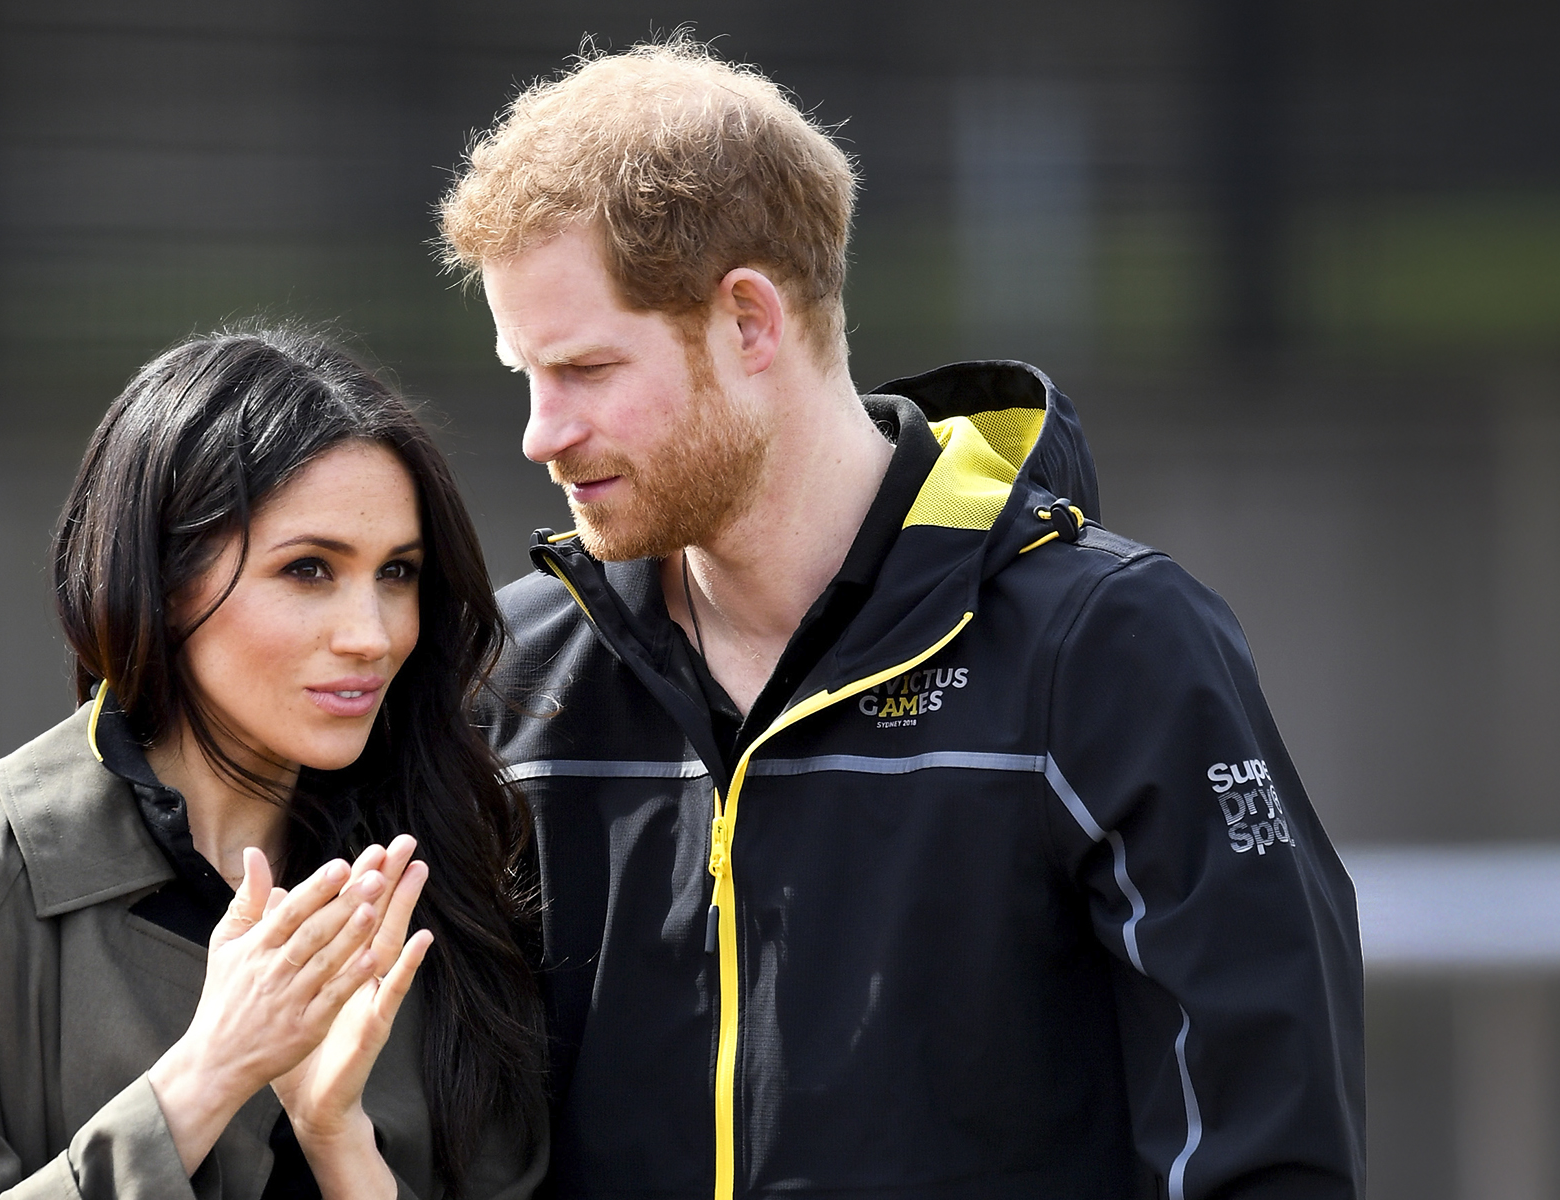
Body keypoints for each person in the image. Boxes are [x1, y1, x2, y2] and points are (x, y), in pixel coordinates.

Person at [437, 39, 1364, 1200]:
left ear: (749, 322)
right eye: (524, 374)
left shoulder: (1111, 651)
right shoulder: (515, 679)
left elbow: (1261, 1152)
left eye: (582, 369)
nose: (541, 433)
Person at [0, 328, 546, 1200]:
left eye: (397, 573)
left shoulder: (444, 876)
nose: (372, 634)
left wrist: (338, 1143)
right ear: (164, 580)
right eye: (309, 569)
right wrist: (207, 1076)